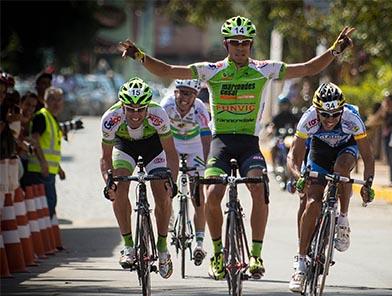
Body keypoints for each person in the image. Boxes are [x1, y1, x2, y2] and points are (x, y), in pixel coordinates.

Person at [119, 16, 355, 280]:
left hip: (248, 143)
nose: (240, 48)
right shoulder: (213, 70)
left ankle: (255, 254)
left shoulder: (264, 69)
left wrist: (334, 51)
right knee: (211, 195)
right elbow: (169, 70)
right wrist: (139, 56)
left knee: (258, 187)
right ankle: (218, 254)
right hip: (221, 143)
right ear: (226, 44)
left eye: (245, 43)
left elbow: (308, 68)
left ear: (251, 44)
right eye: (235, 43)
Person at [287, 83, 375, 292]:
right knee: (312, 201)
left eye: (335, 114)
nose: (330, 119)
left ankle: (342, 219)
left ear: (342, 111)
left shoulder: (352, 119)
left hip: (346, 150)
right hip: (319, 152)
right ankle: (300, 264)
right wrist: (299, 177)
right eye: (325, 114)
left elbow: (368, 156)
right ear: (317, 110)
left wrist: (368, 184)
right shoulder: (308, 119)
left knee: (341, 170)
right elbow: (293, 155)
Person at [100, 77, 179, 279]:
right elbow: (106, 157)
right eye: (130, 109)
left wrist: (173, 180)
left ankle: (162, 248)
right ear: (122, 106)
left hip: (154, 147)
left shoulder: (158, 115)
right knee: (118, 189)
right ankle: (128, 246)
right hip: (125, 146)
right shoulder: (111, 118)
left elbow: (170, 152)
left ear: (147, 108)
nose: (136, 114)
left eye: (140, 109)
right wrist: (109, 183)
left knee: (162, 194)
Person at [160, 79, 211, 265]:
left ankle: (199, 243)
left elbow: (206, 138)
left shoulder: (200, 109)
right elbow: (157, 134)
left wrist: (205, 163)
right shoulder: (165, 106)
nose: (183, 98)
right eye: (180, 92)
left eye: (188, 94)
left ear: (195, 96)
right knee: (166, 187)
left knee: (197, 193)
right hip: (172, 145)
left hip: (194, 146)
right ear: (175, 93)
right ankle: (169, 212)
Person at [25, 87, 66, 235]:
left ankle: (45, 239)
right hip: (39, 171)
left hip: (48, 171)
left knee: (48, 205)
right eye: (52, 100)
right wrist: (43, 162)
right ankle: (42, 239)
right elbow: (35, 140)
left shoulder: (51, 118)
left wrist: (59, 168)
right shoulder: (42, 117)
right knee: (45, 207)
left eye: (59, 100)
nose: (56, 103)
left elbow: (50, 145)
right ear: (45, 101)